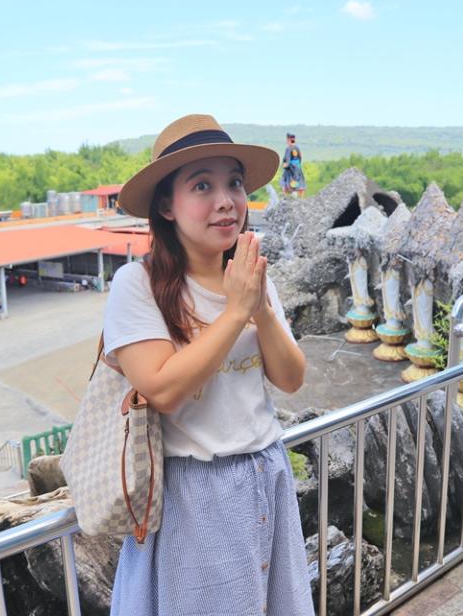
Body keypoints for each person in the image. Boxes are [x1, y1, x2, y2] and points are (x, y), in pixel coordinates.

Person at [104, 114, 313, 615]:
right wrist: (237, 310)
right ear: (166, 206)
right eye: (203, 185)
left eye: (234, 183)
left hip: (265, 471)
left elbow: (290, 378)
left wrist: (258, 306)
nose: (226, 201)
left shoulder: (251, 278)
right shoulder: (138, 285)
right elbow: (162, 388)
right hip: (192, 494)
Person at [280, 133, 306, 197]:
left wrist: (284, 165)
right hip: (297, 168)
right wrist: (297, 165)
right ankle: (300, 198)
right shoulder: (297, 148)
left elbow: (287, 160)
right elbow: (300, 158)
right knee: (299, 182)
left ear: (289, 140)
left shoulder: (288, 148)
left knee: (284, 181)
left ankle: (286, 196)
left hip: (290, 169)